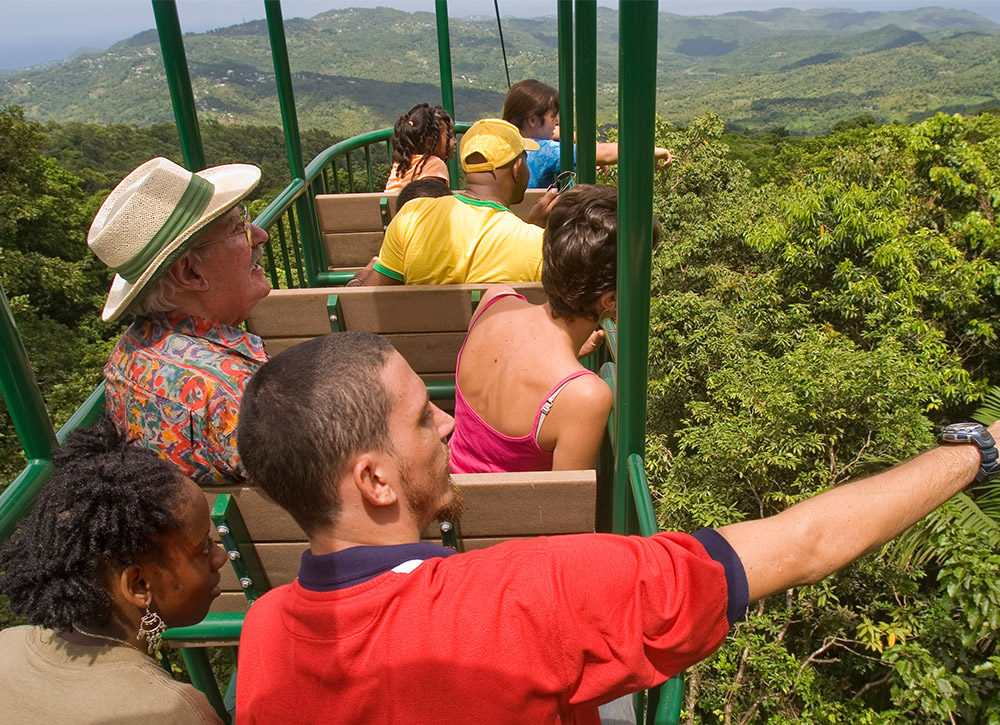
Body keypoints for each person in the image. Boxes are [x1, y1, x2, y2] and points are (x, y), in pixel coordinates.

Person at [233, 330, 1000, 724]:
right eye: (420, 417)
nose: (443, 420)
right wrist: (975, 450)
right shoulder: (531, 594)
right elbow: (804, 544)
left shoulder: (264, 636)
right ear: (373, 478)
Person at [0, 417, 228, 724]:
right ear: (138, 585)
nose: (220, 557)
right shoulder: (174, 711)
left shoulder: (7, 645)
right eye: (203, 549)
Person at [87, 156, 271, 485]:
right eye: (236, 228)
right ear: (190, 272)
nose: (260, 234)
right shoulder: (234, 394)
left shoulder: (125, 358)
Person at [449, 184, 618, 473]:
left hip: (448, 499)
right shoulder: (587, 396)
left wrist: (573, 355)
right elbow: (564, 511)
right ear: (610, 300)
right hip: (506, 517)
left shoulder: (494, 300)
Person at [362, 118, 560, 286]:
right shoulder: (536, 243)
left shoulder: (412, 215)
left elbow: (373, 299)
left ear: (467, 168)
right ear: (517, 168)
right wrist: (534, 229)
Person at [503, 78, 674, 188]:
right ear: (533, 120)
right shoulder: (546, 151)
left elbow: (556, 133)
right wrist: (648, 151)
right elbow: (603, 154)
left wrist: (589, 143)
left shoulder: (504, 141)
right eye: (553, 117)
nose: (557, 122)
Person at [384, 103, 456, 193]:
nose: (455, 141)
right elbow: (431, 204)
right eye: (450, 136)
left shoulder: (400, 165)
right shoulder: (435, 165)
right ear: (429, 143)